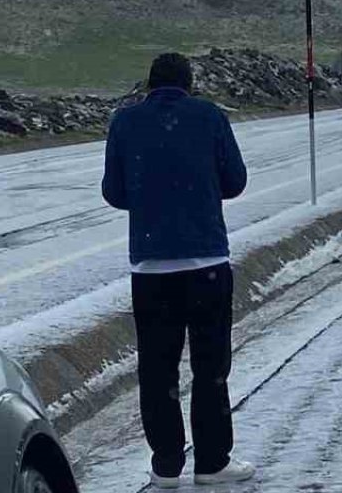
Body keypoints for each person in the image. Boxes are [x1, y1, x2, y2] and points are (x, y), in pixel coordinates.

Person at [102, 53, 253, 488]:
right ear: (189, 84)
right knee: (210, 367)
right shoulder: (209, 117)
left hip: (150, 268)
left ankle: (166, 465)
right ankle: (211, 462)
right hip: (205, 260)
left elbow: (114, 191)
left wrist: (151, 197)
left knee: (156, 368)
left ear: (149, 85)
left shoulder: (125, 122)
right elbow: (235, 181)